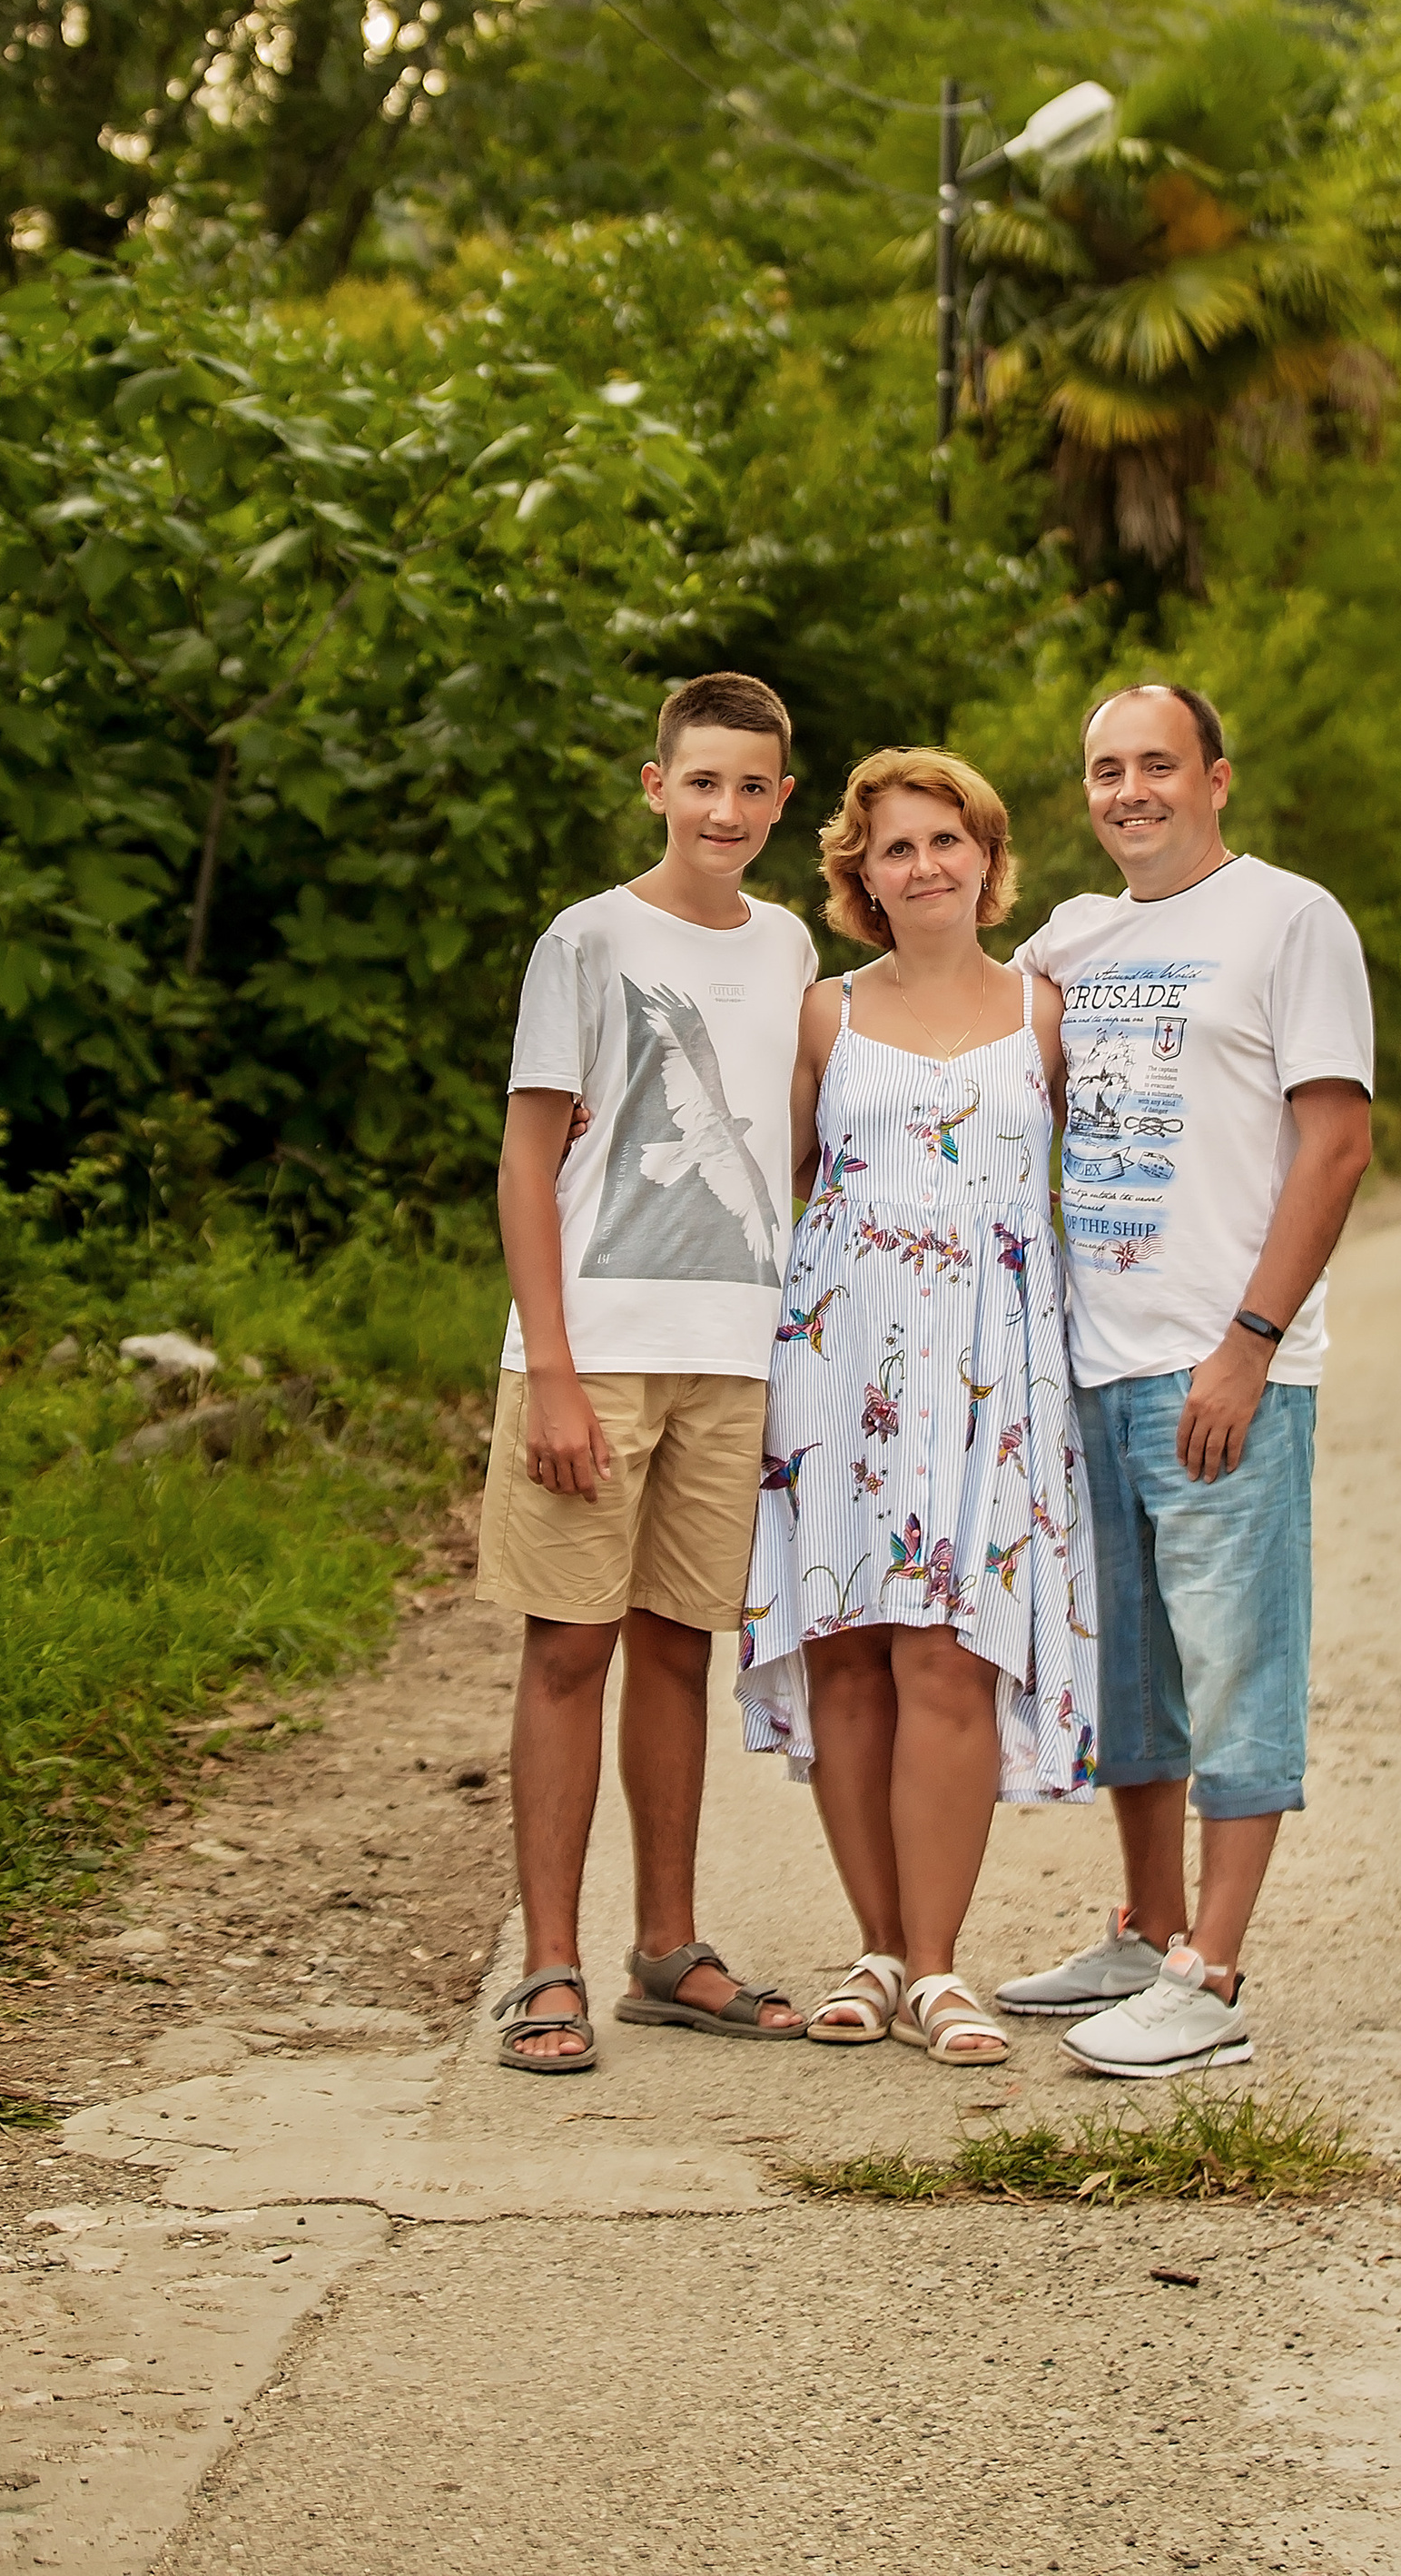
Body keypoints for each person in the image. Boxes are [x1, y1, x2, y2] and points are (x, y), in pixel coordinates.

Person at [997, 683, 1373, 2079]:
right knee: (1132, 1675)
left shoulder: (1291, 919)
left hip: (1225, 1367)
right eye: (1106, 769)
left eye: (1158, 763)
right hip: (1091, 1364)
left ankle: (1210, 1976)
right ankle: (1147, 1925)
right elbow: (951, 1049)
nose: (1130, 788)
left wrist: (1252, 1341)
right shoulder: (1074, 939)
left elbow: (1334, 1144)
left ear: (1217, 776)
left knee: (1236, 1667)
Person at [478, 673, 817, 2075]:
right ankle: (546, 1966)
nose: (725, 809)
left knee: (681, 1649)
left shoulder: (792, 946)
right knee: (570, 1648)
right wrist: (552, 1370)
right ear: (655, 785)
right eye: (701, 783)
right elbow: (525, 1156)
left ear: (783, 799)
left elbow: (795, 1144)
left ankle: (666, 1950)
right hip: (598, 1352)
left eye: (751, 787)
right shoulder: (589, 940)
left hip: (731, 1359)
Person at [738, 747, 1093, 2067]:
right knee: (848, 1649)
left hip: (991, 1372)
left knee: (947, 1655)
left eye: (948, 840)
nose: (926, 864)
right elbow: (769, 1176)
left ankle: (942, 1969)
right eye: (897, 847)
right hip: (840, 1370)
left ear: (990, 863)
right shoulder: (824, 1017)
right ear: (862, 877)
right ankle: (877, 1949)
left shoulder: (1046, 1012)